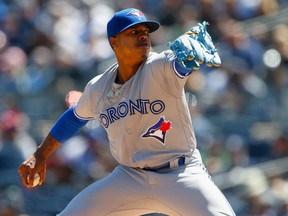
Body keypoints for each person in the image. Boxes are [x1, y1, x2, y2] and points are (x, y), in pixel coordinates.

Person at [18, 8, 235, 216]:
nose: (143, 36)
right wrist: (40, 154)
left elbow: (178, 66)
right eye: (134, 32)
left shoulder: (160, 65)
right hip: (131, 177)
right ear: (114, 42)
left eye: (145, 31)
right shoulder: (98, 87)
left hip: (181, 174)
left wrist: (186, 63)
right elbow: (74, 118)